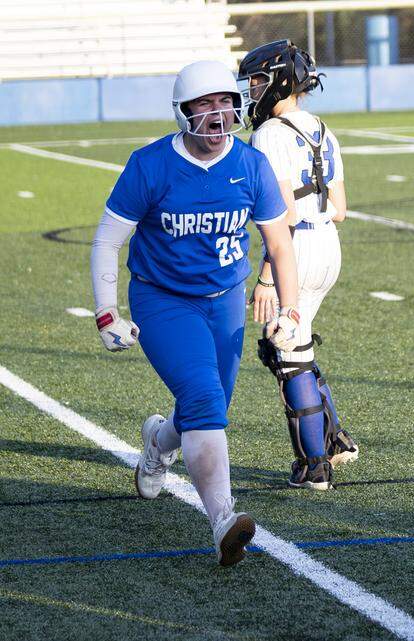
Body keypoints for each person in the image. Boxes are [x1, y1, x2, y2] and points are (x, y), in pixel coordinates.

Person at [90, 60, 302, 566]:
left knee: (206, 405)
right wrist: (106, 312)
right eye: (204, 104)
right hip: (163, 299)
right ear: (183, 112)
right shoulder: (151, 164)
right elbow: (108, 238)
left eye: (224, 101)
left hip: (224, 299)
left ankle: (159, 441)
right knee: (206, 398)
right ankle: (223, 520)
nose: (217, 113)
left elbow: (280, 241)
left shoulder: (250, 164)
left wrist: (290, 310)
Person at [238, 40, 359, 491]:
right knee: (294, 348)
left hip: (297, 248)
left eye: (257, 80)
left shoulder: (269, 133)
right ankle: (336, 440)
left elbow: (282, 214)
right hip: (328, 242)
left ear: (280, 80)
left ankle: (314, 464)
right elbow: (341, 207)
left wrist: (268, 276)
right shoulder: (323, 128)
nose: (252, 90)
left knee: (287, 354)